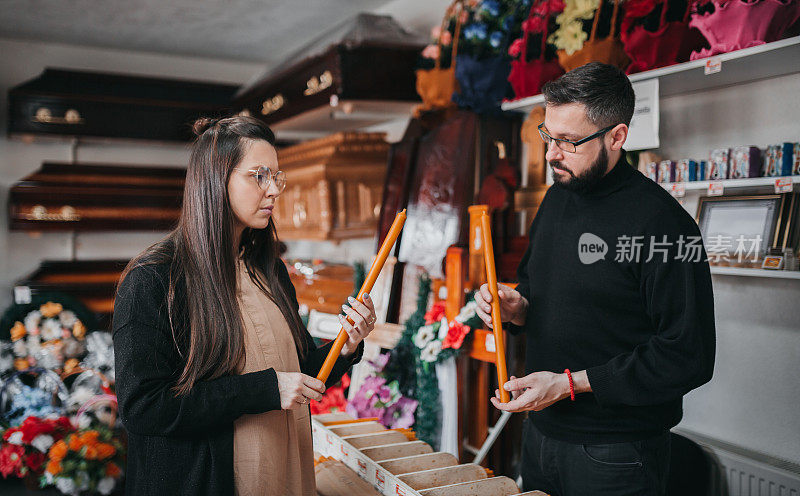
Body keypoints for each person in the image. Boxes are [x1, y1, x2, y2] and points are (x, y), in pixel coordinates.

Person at [474, 63, 716, 496]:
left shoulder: (664, 224)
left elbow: (688, 354)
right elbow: (535, 290)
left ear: (617, 137)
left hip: (617, 452)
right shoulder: (556, 198)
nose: (551, 154)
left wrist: (570, 384)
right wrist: (517, 307)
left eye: (568, 142)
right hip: (541, 434)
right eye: (548, 136)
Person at [112, 115, 376, 496]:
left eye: (277, 177)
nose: (273, 190)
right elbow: (143, 407)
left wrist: (347, 345)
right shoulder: (154, 279)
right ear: (216, 182)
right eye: (259, 176)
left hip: (284, 473)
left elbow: (298, 374)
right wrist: (264, 390)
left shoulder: (268, 271)